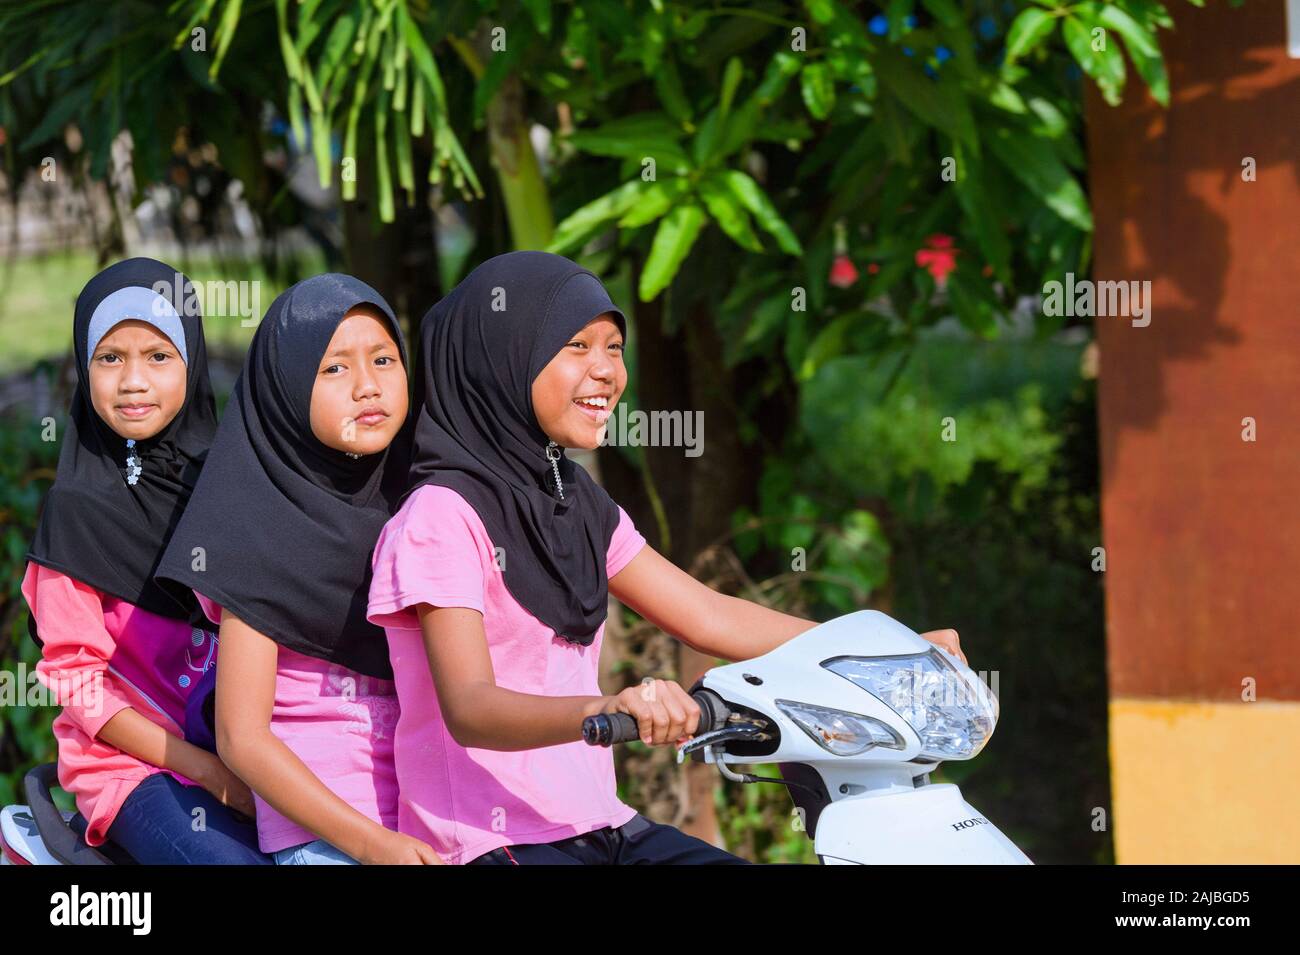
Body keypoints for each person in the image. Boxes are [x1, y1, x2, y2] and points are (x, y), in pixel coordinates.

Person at [367, 251, 966, 864]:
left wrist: (888, 651)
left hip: (601, 826)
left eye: (614, 348)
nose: (606, 371)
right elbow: (470, 707)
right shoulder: (440, 517)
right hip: (490, 842)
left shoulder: (576, 502)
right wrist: (608, 707)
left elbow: (707, 616)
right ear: (502, 358)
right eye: (577, 347)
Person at [157, 275, 440, 865]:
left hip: (435, 810)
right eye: (333, 368)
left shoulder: (422, 500)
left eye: (384, 359)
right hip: (327, 832)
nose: (368, 386)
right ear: (286, 389)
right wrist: (373, 844)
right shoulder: (259, 522)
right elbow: (242, 736)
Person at [23, 257, 268, 864]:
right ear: (85, 366)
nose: (133, 381)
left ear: (194, 360)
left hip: (246, 749)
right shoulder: (76, 511)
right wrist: (209, 773)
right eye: (110, 358)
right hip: (131, 768)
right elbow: (79, 682)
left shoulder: (229, 486)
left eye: (159, 356)